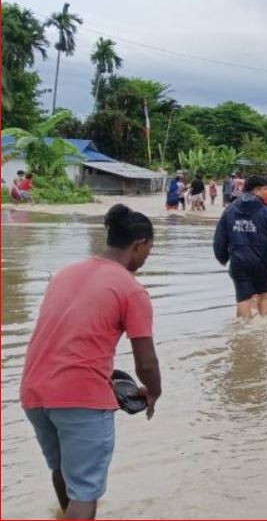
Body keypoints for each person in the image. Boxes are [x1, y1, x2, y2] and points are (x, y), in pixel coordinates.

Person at [20, 204, 162, 520]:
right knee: (85, 493)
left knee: (62, 470)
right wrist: (153, 391)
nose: (146, 258)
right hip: (80, 398)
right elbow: (146, 363)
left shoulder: (65, 274)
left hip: (34, 391)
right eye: (149, 250)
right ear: (139, 244)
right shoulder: (131, 289)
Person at [213, 175, 267, 319]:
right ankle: (262, 325)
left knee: (243, 298)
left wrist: (222, 258)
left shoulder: (230, 210)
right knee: (264, 294)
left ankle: (244, 327)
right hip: (261, 262)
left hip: (239, 262)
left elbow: (219, 238)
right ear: (256, 190)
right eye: (266, 189)